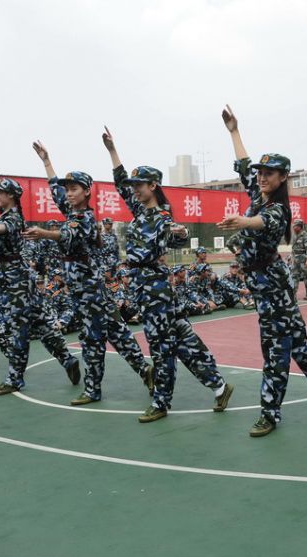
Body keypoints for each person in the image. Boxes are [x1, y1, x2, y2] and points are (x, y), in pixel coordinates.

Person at [218, 104, 307, 437]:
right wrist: (234, 131)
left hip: (271, 285)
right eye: (261, 173)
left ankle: (269, 413)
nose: (261, 177)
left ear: (283, 177)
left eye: (269, 173)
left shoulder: (279, 210)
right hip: (263, 284)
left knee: (275, 348)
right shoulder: (258, 193)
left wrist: (242, 221)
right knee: (299, 342)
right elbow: (245, 164)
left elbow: (261, 222)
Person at [103, 127, 234, 421]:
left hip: (155, 288)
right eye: (134, 185)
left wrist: (180, 232)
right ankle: (219, 385)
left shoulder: (162, 218)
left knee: (161, 346)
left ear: (154, 185)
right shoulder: (139, 211)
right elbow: (121, 183)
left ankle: (162, 402)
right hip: (146, 286)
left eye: (141, 185)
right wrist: (113, 151)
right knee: (182, 341)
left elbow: (178, 235)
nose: (135, 189)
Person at [26, 141, 153, 406]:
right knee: (118, 332)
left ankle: (93, 389)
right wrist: (46, 161)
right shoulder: (72, 210)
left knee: (92, 339)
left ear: (86, 192)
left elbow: (66, 233)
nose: (68, 193)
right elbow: (54, 191)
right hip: (88, 290)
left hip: (89, 292)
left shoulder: (84, 219)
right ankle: (145, 370)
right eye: (68, 189)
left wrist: (43, 232)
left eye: (74, 189)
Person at [0, 145, 82, 395]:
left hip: (16, 286)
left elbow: (8, 227)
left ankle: (14, 378)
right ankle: (67, 359)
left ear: (11, 196)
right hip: (20, 283)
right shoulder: (5, 211)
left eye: (0, 193)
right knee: (41, 325)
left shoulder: (13, 217)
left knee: (17, 328)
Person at [290, 218, 307, 300]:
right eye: (293, 226)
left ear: (300, 227)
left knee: (306, 276)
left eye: (295, 226)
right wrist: (291, 257)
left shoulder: (305, 235)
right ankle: (293, 294)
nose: (294, 228)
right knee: (294, 276)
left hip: (303, 258)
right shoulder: (294, 235)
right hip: (296, 259)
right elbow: (293, 248)